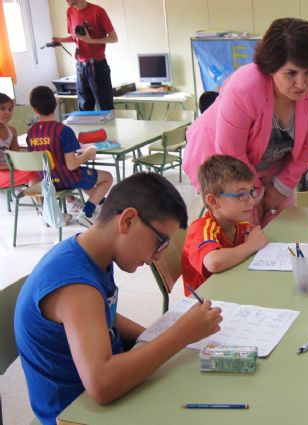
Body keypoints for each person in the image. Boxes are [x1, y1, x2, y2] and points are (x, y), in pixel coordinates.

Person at [14, 172, 224, 425]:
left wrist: (155, 336)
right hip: (76, 414)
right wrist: (179, 335)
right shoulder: (75, 285)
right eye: (159, 243)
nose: (157, 257)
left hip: (106, 396)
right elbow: (101, 385)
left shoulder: (91, 252)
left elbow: (103, 315)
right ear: (128, 221)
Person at [183, 18, 308, 226]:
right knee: (241, 231)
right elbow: (230, 153)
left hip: (269, 162)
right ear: (271, 67)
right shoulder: (245, 87)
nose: (301, 83)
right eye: (291, 73)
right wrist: (254, 194)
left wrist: (281, 187)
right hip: (221, 162)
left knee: (282, 227)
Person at [182, 155, 269, 295]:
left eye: (251, 191)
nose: (252, 201)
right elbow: (214, 262)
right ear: (214, 202)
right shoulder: (202, 229)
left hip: (234, 290)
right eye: (242, 195)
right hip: (206, 304)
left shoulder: (240, 222)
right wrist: (250, 246)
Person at [27, 86, 112, 227]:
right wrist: (87, 154)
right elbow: (72, 165)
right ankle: (87, 212)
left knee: (86, 177)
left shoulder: (31, 133)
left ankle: (102, 203)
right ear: (55, 102)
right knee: (106, 177)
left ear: (33, 108)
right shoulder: (63, 130)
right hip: (67, 178)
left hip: (47, 182)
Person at [51, 0, 118, 111]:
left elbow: (114, 38)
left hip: (98, 67)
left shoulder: (98, 11)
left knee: (106, 109)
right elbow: (76, 37)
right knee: (84, 110)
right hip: (81, 67)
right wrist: (60, 40)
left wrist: (91, 41)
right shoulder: (70, 11)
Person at [0, 93, 39, 189]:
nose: (7, 112)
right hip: (3, 173)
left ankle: (40, 202)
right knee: (37, 172)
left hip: (10, 169)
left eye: (10, 109)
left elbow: (16, 156)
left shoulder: (12, 131)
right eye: (2, 108)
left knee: (40, 169)